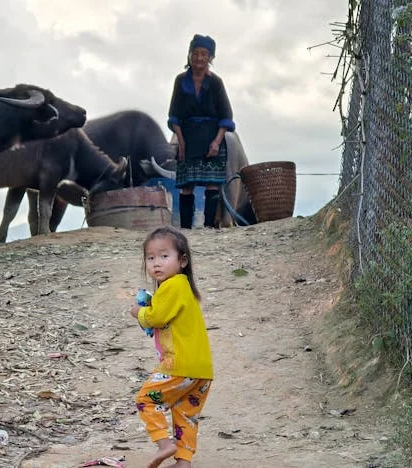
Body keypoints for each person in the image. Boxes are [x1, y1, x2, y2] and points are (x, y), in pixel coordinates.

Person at [128, 226, 213, 468]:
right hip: (202, 369)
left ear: (182, 260)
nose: (157, 263)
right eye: (151, 257)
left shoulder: (173, 285)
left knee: (146, 399)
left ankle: (164, 444)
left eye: (165, 256)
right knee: (186, 413)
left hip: (179, 365)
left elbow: (157, 318)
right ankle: (183, 463)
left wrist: (139, 312)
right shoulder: (182, 288)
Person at [168, 34, 236, 229]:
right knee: (186, 186)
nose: (199, 58)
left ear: (210, 58)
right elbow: (174, 115)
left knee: (212, 183)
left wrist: (216, 142)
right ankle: (186, 230)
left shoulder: (216, 83)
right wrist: (181, 143)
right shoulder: (180, 81)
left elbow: (226, 116)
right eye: (195, 53)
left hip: (211, 137)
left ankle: (209, 228)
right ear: (189, 55)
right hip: (188, 137)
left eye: (204, 54)